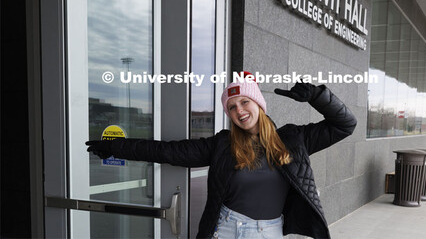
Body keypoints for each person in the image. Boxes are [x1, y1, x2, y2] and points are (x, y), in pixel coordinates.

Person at [86, 73, 357, 239]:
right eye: (232, 107)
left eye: (244, 102)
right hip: (225, 230)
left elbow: (345, 125)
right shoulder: (222, 145)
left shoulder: (293, 140)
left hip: (269, 232)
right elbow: (167, 151)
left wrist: (318, 96)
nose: (239, 111)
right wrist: (116, 146)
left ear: (259, 104)